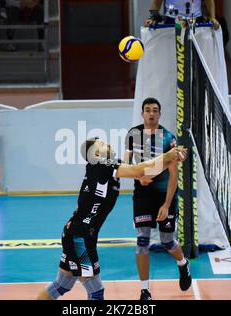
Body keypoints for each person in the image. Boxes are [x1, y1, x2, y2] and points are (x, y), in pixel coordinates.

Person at [37, 138, 187, 300]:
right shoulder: (101, 165)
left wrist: (171, 159)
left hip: (76, 234)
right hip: (80, 238)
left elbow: (144, 172)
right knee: (96, 292)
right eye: (101, 144)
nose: (107, 144)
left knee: (61, 286)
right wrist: (168, 156)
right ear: (95, 154)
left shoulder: (107, 168)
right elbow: (140, 171)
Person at [124, 97, 192, 300]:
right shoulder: (133, 134)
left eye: (155, 110)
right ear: (142, 113)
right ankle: (144, 291)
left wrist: (167, 204)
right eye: (147, 110)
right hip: (142, 195)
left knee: (167, 241)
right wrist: (139, 176)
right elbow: (125, 164)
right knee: (142, 241)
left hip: (163, 194)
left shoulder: (168, 138)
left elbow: (174, 175)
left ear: (160, 114)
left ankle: (183, 264)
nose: (151, 113)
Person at [145, 0, 220, 30]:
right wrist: (152, 17)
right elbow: (156, 3)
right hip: (173, 21)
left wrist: (212, 17)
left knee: (195, 53)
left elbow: (209, 1)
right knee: (174, 53)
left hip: (195, 20)